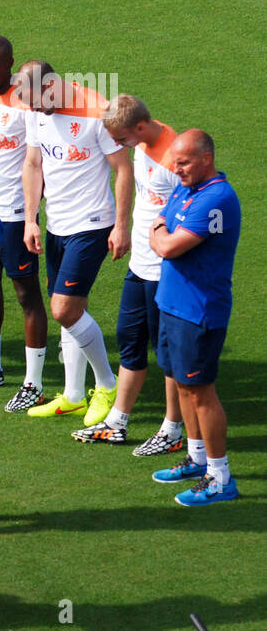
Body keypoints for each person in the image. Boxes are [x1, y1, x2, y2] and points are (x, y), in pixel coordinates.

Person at [18, 61, 133, 425]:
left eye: (38, 102)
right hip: (56, 225)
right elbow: (33, 164)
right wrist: (30, 219)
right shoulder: (35, 110)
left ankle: (107, 385)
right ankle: (72, 395)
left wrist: (122, 225)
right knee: (71, 309)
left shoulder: (95, 111)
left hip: (93, 224)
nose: (35, 111)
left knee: (64, 310)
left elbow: (124, 168)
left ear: (52, 86)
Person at [75, 95, 185, 450]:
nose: (118, 146)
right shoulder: (141, 144)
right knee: (129, 340)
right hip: (140, 265)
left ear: (139, 127)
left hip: (165, 272)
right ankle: (117, 421)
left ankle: (172, 429)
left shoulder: (175, 158)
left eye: (121, 138)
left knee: (167, 352)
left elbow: (185, 218)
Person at [149, 130, 240, 506]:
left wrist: (158, 232)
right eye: (174, 161)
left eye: (184, 162)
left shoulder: (217, 198)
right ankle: (197, 457)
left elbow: (167, 245)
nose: (176, 169)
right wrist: (160, 229)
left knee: (201, 392)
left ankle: (221, 478)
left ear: (206, 158)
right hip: (172, 304)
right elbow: (160, 220)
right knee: (182, 385)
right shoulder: (187, 189)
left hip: (198, 312)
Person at [0, 35, 49, 410]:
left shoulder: (27, 103)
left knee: (26, 294)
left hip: (15, 214)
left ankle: (33, 382)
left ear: (11, 64)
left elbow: (37, 162)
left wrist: (32, 215)